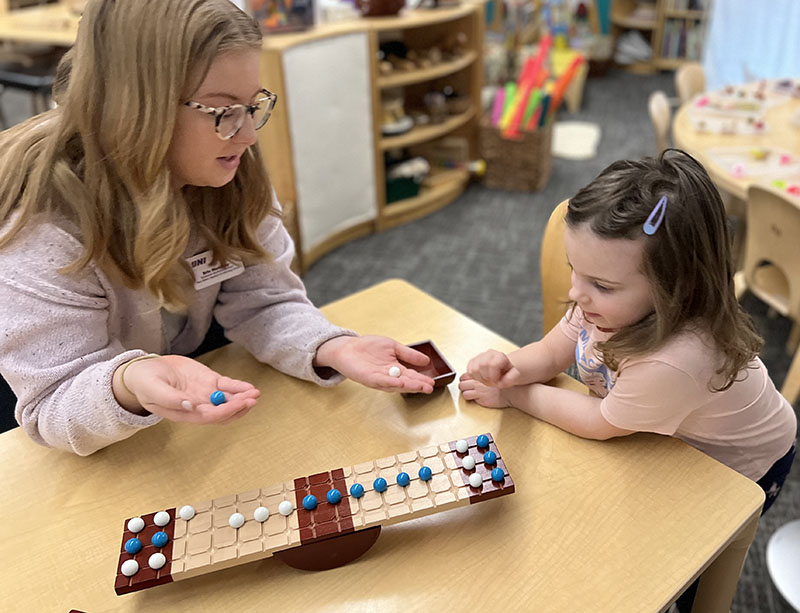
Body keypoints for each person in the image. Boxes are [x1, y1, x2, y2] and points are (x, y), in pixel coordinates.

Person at [0, 0, 435, 457]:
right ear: (134, 108)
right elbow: (53, 401)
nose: (248, 135)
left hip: (183, 377)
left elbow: (264, 299)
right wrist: (128, 382)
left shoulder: (227, 167)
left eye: (252, 106)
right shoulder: (40, 224)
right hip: (90, 423)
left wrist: (328, 346)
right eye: (223, 112)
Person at [459, 150, 796, 517]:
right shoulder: (600, 305)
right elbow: (551, 351)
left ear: (675, 288)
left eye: (602, 285)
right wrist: (509, 367)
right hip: (665, 432)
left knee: (691, 552)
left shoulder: (676, 359)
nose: (577, 293)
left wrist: (513, 396)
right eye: (575, 269)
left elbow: (600, 422)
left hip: (740, 466)